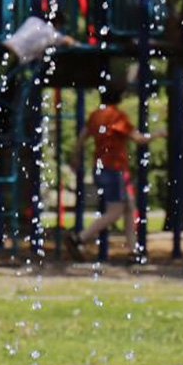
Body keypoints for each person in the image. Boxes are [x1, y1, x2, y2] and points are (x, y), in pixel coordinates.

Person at [65, 86, 154, 260]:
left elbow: (82, 138)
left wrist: (76, 157)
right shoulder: (116, 116)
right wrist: (160, 134)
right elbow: (138, 138)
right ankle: (80, 238)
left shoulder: (96, 115)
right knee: (115, 211)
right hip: (113, 168)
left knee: (129, 207)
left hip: (100, 167)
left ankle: (133, 250)